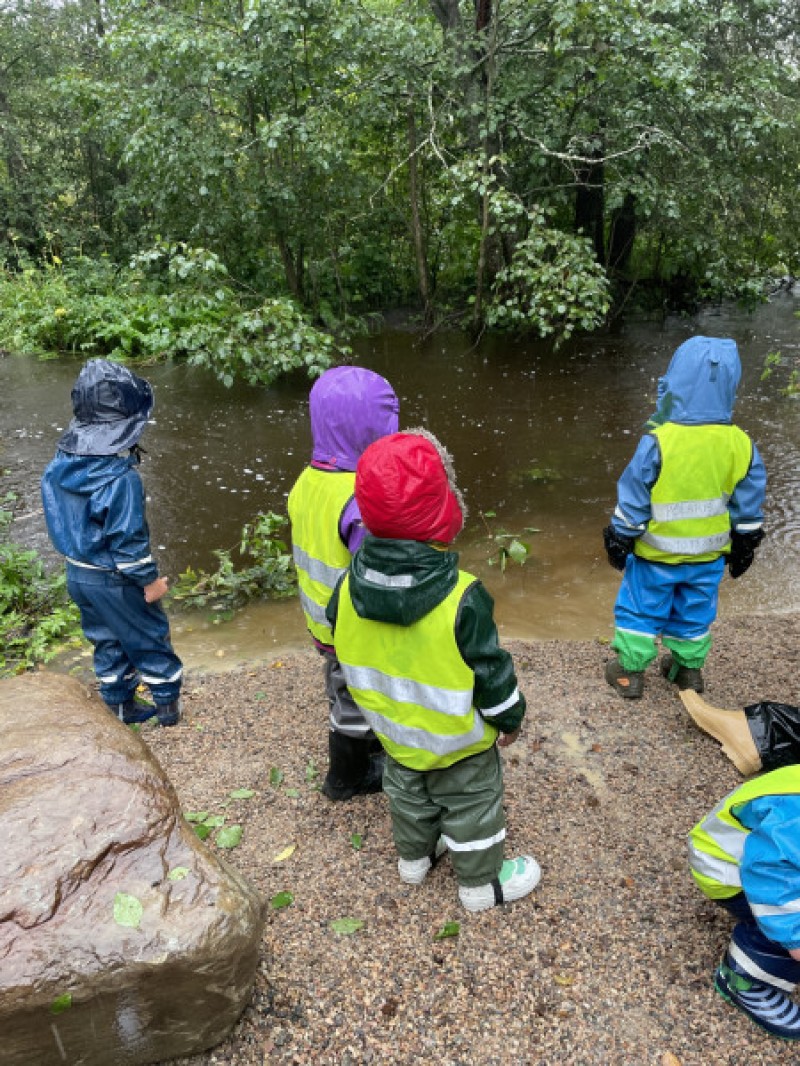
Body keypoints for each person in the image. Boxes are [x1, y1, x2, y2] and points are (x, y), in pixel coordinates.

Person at [326, 429, 541, 912]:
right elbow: (492, 672)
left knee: (407, 794)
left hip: (395, 732)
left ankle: (414, 860)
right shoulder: (463, 595)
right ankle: (481, 885)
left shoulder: (344, 588)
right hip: (458, 740)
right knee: (472, 807)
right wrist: (510, 719)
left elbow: (336, 642)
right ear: (443, 511)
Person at [602, 335, 766, 699]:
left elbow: (634, 496)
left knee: (641, 610)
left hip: (655, 556)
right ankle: (686, 672)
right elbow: (749, 503)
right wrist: (746, 542)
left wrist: (620, 536)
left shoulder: (660, 440)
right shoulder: (741, 444)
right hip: (708, 557)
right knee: (694, 613)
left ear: (675, 381)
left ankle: (629, 673)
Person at [41, 358, 182, 726]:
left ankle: (119, 705)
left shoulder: (59, 464)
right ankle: (168, 707)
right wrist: (149, 582)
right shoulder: (122, 479)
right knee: (149, 635)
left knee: (105, 638)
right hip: (115, 577)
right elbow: (128, 542)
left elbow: (61, 518)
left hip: (78, 573)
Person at [287, 365, 399, 801]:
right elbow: (374, 574)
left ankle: (359, 753)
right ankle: (347, 777)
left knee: (340, 681)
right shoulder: (360, 495)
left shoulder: (308, 480)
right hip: (352, 625)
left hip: (320, 619)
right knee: (357, 694)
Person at [688, 766, 800, 1041]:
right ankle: (745, 979)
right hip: (730, 871)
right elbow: (772, 880)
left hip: (768, 862)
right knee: (786, 923)